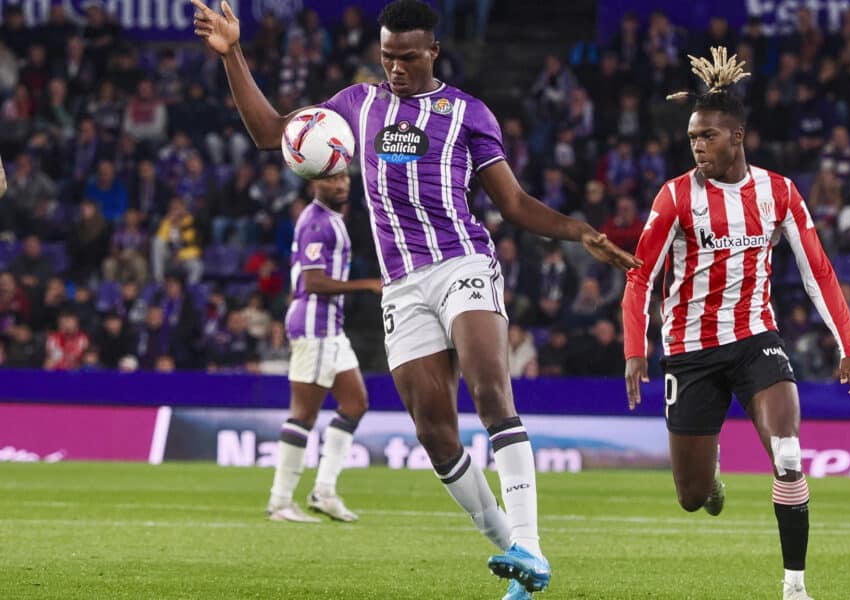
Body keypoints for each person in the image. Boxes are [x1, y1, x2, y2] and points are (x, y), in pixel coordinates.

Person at [191, 1, 639, 598]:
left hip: (463, 262)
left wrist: (579, 230)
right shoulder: (356, 104)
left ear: (432, 52)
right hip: (403, 285)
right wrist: (234, 55)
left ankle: (530, 542)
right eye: (387, 57)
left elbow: (515, 204)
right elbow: (272, 133)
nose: (396, 68)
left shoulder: (469, 115)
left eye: (407, 57)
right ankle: (518, 556)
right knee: (436, 435)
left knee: (489, 390)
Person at [621, 48, 850, 600]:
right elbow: (640, 277)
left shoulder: (778, 192)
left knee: (787, 454)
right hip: (688, 352)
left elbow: (819, 271)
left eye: (707, 137)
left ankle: (795, 586)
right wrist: (635, 348)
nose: (698, 147)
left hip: (756, 340)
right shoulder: (674, 198)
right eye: (692, 139)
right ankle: (710, 481)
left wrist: (847, 345)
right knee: (690, 496)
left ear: (737, 137)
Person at [266, 172, 381, 523]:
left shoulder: (331, 219)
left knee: (355, 403)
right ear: (315, 183)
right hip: (315, 325)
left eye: (344, 176)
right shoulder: (317, 223)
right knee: (304, 414)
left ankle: (324, 492)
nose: (342, 184)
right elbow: (313, 282)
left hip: (330, 327)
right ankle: (281, 502)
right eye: (331, 179)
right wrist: (367, 285)